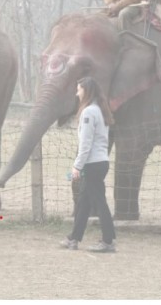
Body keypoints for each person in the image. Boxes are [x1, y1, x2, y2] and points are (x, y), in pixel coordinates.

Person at [60, 77, 117, 253]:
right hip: (100, 162)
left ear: (86, 91)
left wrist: (77, 166)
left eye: (79, 89)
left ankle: (108, 241)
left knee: (99, 202)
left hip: (92, 164)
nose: (77, 93)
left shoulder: (88, 113)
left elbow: (85, 144)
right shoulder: (100, 110)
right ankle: (74, 238)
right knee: (84, 203)